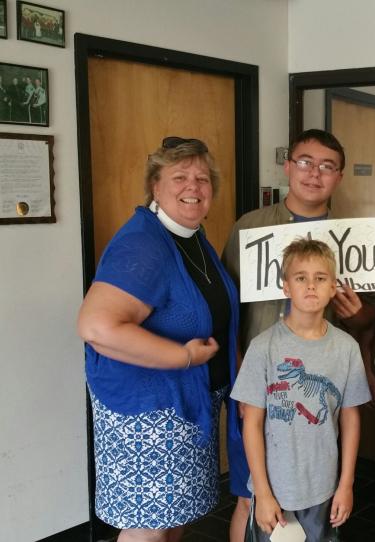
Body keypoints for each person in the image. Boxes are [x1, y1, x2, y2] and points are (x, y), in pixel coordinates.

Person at [77, 137, 248, 542]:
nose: (194, 187)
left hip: (184, 409)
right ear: (155, 185)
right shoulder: (144, 242)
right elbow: (96, 326)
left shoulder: (191, 237)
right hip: (149, 415)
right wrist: (183, 357)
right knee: (149, 530)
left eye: (203, 179)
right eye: (180, 176)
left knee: (173, 524)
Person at [222, 128, 375, 540]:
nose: (315, 174)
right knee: (250, 497)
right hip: (260, 387)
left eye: (327, 167)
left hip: (318, 404)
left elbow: (372, 317)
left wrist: (360, 313)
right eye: (306, 162)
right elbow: (228, 309)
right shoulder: (249, 228)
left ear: (339, 176)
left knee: (316, 504)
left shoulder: (356, 237)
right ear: (288, 166)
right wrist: (242, 379)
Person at [231, 238, 371, 541]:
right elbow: (252, 423)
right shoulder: (263, 347)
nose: (311, 286)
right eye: (300, 278)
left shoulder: (347, 348)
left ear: (333, 286)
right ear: (285, 286)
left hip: (323, 489)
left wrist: (345, 484)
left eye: (320, 278)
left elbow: (350, 419)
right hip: (273, 492)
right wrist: (263, 494)